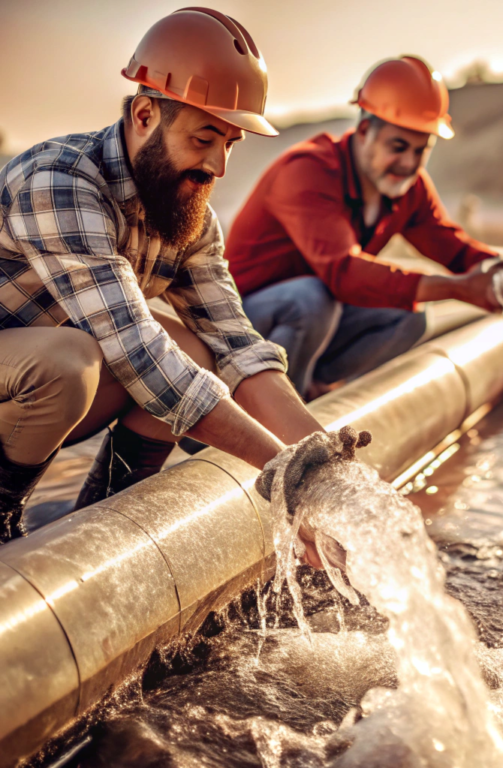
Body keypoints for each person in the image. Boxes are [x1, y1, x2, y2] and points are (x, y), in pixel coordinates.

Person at [0, 8, 325, 546]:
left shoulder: (187, 215)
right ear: (145, 114)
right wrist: (287, 479)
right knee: (68, 362)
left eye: (230, 144)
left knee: (198, 351)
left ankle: (103, 528)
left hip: (23, 398)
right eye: (204, 139)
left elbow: (237, 346)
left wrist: (328, 474)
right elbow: (136, 351)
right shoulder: (59, 181)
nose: (218, 166)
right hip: (29, 379)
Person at [225, 56, 503, 399]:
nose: (409, 163)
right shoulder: (308, 171)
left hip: (315, 321)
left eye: (421, 151)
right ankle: (267, 409)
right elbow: (343, 272)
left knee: (408, 317)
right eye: (398, 147)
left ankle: (311, 389)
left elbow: (452, 246)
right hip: (241, 323)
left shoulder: (409, 188)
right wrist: (458, 289)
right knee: (310, 299)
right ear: (363, 132)